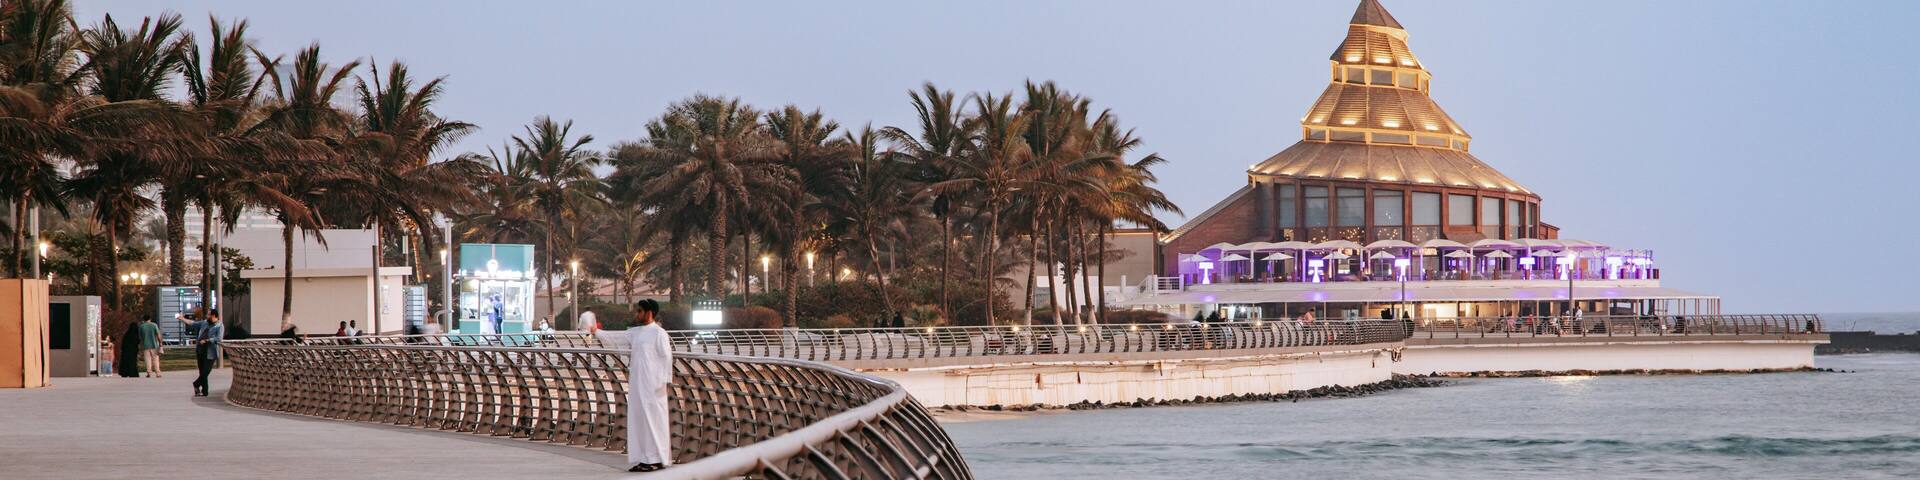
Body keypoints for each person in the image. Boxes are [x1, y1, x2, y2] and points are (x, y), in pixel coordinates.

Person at [626, 299, 673, 472]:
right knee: (640, 421)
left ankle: (656, 459)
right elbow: (616, 338)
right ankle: (644, 458)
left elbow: (667, 358)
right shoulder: (636, 332)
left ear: (649, 313)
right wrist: (597, 332)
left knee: (654, 422)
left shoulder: (659, 333)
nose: (636, 314)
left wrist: (665, 382)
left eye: (639, 311)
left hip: (654, 387)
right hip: (638, 385)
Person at [189, 309, 224, 397]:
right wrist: (181, 318)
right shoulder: (204, 323)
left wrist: (207, 340)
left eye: (208, 314)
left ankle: (196, 384)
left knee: (206, 371)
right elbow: (193, 323)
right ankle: (204, 391)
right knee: (202, 372)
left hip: (210, 351)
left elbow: (219, 338)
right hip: (200, 350)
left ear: (213, 315)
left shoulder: (219, 325)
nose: (206, 316)